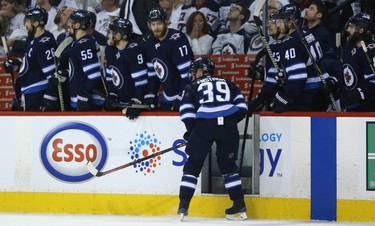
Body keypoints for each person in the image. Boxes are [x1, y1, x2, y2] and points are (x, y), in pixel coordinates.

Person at [178, 56, 248, 220]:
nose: (193, 75)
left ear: (201, 71)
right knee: (228, 165)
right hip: (229, 128)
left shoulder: (192, 86)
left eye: (195, 71)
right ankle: (239, 203)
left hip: (204, 127)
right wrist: (228, 122)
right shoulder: (228, 83)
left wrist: (192, 131)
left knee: (193, 164)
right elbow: (243, 109)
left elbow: (187, 112)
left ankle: (183, 205)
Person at [271, 4, 329, 112]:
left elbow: (298, 76)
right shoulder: (307, 33)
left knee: (302, 128)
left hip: (305, 95)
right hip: (320, 91)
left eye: (280, 21)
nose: (277, 25)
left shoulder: (289, 42)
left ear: (289, 22)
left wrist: (286, 97)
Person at [3, 6, 58, 111]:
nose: (25, 24)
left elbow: (52, 73)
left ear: (36, 23)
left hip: (38, 94)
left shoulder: (45, 41)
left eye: (27, 21)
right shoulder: (31, 39)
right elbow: (31, 63)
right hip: (27, 92)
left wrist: (49, 97)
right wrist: (15, 64)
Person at [144, 7, 194, 111]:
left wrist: (182, 97)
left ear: (166, 22)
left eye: (159, 23)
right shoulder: (150, 42)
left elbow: (188, 74)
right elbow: (153, 74)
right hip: (168, 97)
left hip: (186, 96)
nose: (156, 27)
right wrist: (151, 95)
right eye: (153, 24)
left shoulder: (177, 39)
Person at [105, 18, 148, 119]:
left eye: (110, 33)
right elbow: (110, 76)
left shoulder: (134, 50)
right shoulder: (110, 49)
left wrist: (137, 101)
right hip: (120, 105)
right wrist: (112, 94)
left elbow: (141, 82)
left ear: (118, 36)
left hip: (136, 106)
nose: (108, 36)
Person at [331, 13, 375, 111]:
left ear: (361, 30)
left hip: (368, 107)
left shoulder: (371, 50)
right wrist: (334, 81)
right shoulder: (348, 48)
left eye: (351, 27)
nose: (347, 30)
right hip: (350, 105)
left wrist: (359, 93)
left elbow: (373, 83)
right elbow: (345, 72)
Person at [67, 9, 105, 110]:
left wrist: (82, 94)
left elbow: (94, 76)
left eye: (71, 22)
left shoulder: (84, 44)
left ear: (77, 25)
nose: (68, 25)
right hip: (84, 100)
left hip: (89, 101)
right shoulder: (82, 42)